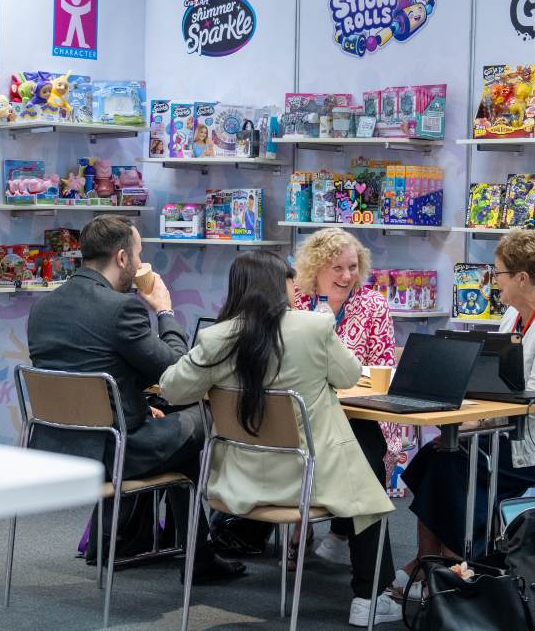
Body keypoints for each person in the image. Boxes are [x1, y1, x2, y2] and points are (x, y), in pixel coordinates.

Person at [159, 251, 401, 626]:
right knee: (366, 484)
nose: (295, 286)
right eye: (290, 280)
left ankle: (343, 560)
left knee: (363, 458)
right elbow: (350, 375)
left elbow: (172, 388)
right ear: (280, 285)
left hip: (239, 481)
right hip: (310, 478)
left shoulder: (217, 336)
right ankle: (370, 598)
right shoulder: (314, 328)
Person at [26, 215, 244, 583]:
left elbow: (93, 373)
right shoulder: (122, 309)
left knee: (170, 418)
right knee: (198, 418)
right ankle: (197, 554)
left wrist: (141, 408)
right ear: (123, 259)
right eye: (140, 254)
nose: (143, 264)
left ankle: (153, 544)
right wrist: (164, 309)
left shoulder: (43, 308)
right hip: (112, 452)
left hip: (57, 447)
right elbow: (176, 371)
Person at [397, 230, 535, 593]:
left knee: (455, 464)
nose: (492, 281)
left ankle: (451, 563)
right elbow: (501, 385)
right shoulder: (513, 317)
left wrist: (479, 421)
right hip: (511, 431)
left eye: (499, 273)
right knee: (434, 456)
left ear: (522, 278)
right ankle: (431, 563)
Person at [291, 227, 401, 568]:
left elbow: (382, 366)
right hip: (305, 415)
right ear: (315, 268)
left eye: (353, 267)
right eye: (337, 268)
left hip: (361, 413)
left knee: (364, 448)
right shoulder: (295, 300)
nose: (347, 275)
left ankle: (343, 538)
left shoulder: (373, 304)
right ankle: (349, 549)